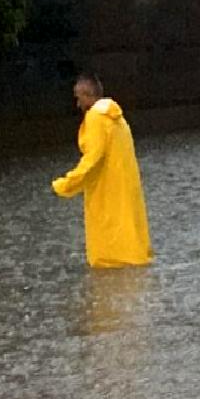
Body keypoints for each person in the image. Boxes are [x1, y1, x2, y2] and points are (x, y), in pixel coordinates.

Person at [52, 74, 153, 268]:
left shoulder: (96, 119)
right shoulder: (117, 118)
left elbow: (92, 159)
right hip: (124, 189)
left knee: (109, 254)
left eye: (78, 97)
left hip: (105, 192)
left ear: (88, 94)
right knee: (128, 241)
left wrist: (65, 184)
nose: (77, 103)